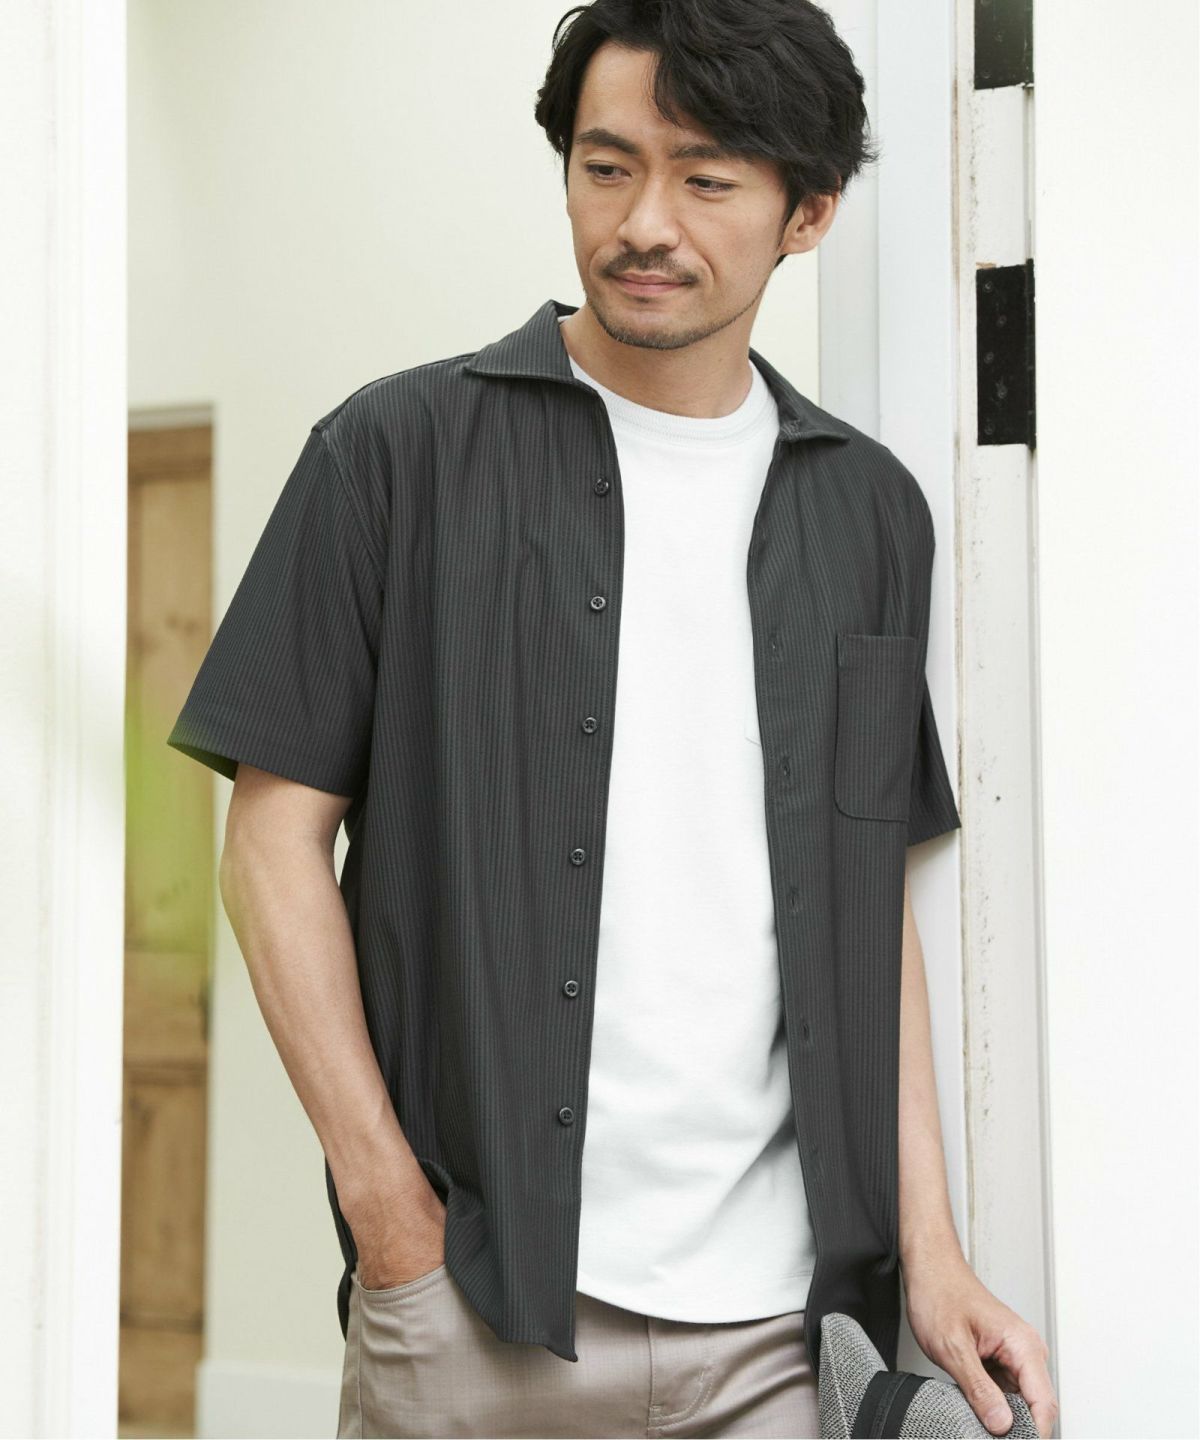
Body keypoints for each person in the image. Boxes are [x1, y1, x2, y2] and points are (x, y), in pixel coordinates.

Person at [168, 1, 1059, 1436]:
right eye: (606, 167)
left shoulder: (869, 512)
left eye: (706, 179)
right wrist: (388, 1217)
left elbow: (866, 891)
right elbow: (270, 848)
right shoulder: (392, 456)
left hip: (783, 1333)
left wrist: (935, 1253)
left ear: (808, 213)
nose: (645, 222)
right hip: (475, 1303)